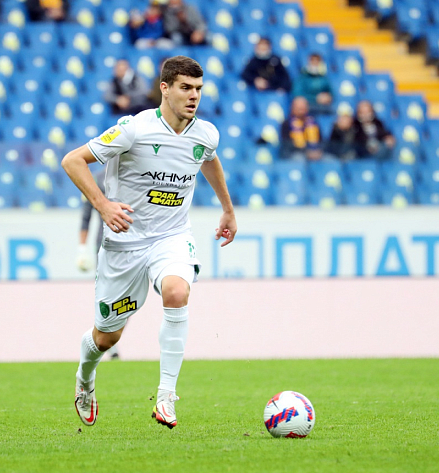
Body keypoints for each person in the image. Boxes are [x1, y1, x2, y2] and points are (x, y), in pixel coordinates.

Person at [62, 55, 237, 429]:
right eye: (186, 88)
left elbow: (208, 159)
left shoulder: (206, 134)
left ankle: (166, 397)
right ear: (165, 88)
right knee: (107, 337)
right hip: (124, 245)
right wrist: (103, 205)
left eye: (198, 89)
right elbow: (72, 161)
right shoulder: (134, 129)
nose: (194, 96)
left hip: (171, 237)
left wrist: (227, 208)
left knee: (176, 292)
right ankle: (85, 378)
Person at [76, 168, 121, 361]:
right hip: (104, 245)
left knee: (128, 297)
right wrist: (82, 249)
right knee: (105, 293)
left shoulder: (137, 169)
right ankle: (109, 341)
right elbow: (86, 216)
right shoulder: (98, 178)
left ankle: (111, 335)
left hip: (133, 244)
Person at [280, 96, 323, 161]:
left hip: (315, 152)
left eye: (303, 108)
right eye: (299, 108)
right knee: (299, 159)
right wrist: (307, 152)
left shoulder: (314, 122)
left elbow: (321, 141)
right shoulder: (286, 124)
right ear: (292, 108)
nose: (301, 111)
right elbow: (287, 145)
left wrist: (318, 151)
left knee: (329, 160)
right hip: (294, 153)